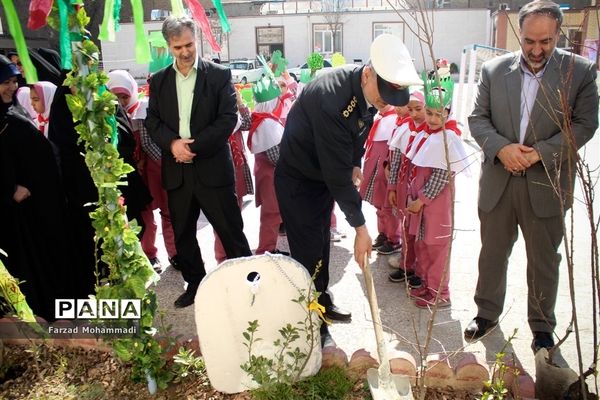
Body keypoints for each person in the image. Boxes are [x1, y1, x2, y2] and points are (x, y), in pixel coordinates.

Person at [464, 0, 598, 352]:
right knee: (492, 253)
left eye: (546, 42)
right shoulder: (493, 71)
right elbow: (477, 118)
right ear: (518, 36)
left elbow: (585, 124)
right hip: (499, 181)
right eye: (529, 41)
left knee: (543, 260)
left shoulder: (579, 72)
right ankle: (486, 314)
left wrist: (540, 153)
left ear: (558, 36)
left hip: (546, 183)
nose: (537, 50)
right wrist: (502, 149)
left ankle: (541, 326)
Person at [274, 34, 422, 346]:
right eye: (382, 100)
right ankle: (312, 325)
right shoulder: (333, 100)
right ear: (368, 73)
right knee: (307, 254)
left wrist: (355, 161)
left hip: (320, 177)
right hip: (300, 182)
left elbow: (359, 130)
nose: (383, 107)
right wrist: (360, 227)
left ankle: (322, 302)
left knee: (321, 246)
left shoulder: (362, 90)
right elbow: (336, 176)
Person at [146, 15, 252, 308]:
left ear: (197, 40)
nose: (185, 52)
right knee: (183, 234)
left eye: (189, 44)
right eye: (178, 47)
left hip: (212, 169)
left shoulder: (218, 75)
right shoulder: (159, 80)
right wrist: (172, 144)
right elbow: (152, 120)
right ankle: (195, 285)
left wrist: (192, 147)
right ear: (169, 46)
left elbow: (228, 118)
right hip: (177, 171)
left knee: (231, 231)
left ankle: (248, 285)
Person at [0, 55, 71, 320]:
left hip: (36, 210)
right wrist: (8, 190)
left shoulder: (11, 111)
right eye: (4, 82)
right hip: (13, 215)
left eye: (12, 80)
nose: (11, 87)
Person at [404, 77, 469, 308]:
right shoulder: (427, 134)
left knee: (436, 247)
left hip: (435, 207)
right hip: (421, 206)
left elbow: (441, 176)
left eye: (438, 114)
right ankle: (426, 282)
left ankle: (440, 292)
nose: (432, 119)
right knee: (423, 243)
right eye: (429, 113)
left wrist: (420, 200)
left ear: (448, 113)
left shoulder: (448, 139)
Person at [107, 70, 176, 273]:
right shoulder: (109, 116)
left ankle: (175, 253)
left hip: (155, 169)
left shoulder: (143, 109)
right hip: (134, 175)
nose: (120, 102)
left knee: (168, 211)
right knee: (144, 216)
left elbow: (151, 143)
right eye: (115, 97)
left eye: (124, 96)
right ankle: (149, 254)